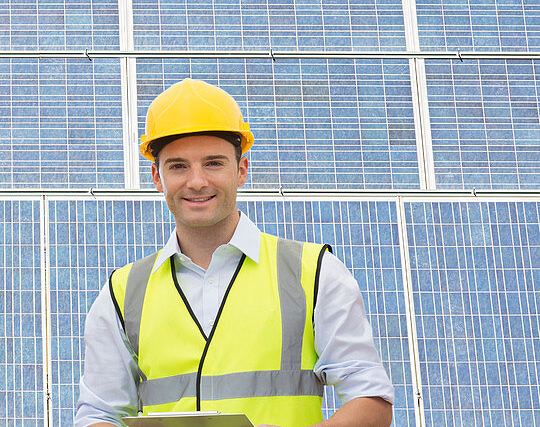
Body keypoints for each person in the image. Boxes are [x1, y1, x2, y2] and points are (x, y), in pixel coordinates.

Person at [75, 78, 394, 427]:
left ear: (241, 170)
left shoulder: (313, 273)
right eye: (178, 166)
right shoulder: (123, 293)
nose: (196, 181)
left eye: (213, 163)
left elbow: (372, 403)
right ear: (156, 176)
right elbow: (100, 414)